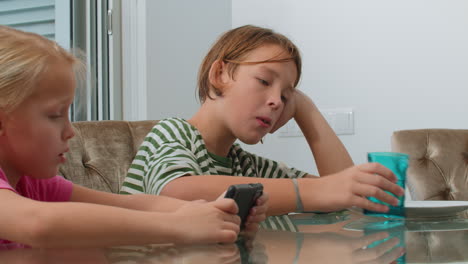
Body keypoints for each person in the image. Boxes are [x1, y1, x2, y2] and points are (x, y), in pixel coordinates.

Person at [0, 25, 268, 248]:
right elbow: (38, 224)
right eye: (55, 115)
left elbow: (129, 204)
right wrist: (177, 226)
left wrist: (209, 212)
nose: (70, 131)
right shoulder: (29, 202)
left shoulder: (34, 184)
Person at [120, 25, 404, 216]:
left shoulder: (245, 165)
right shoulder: (172, 133)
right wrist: (312, 193)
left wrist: (306, 109)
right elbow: (178, 191)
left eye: (286, 95)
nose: (277, 101)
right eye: (264, 80)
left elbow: (344, 197)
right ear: (220, 75)